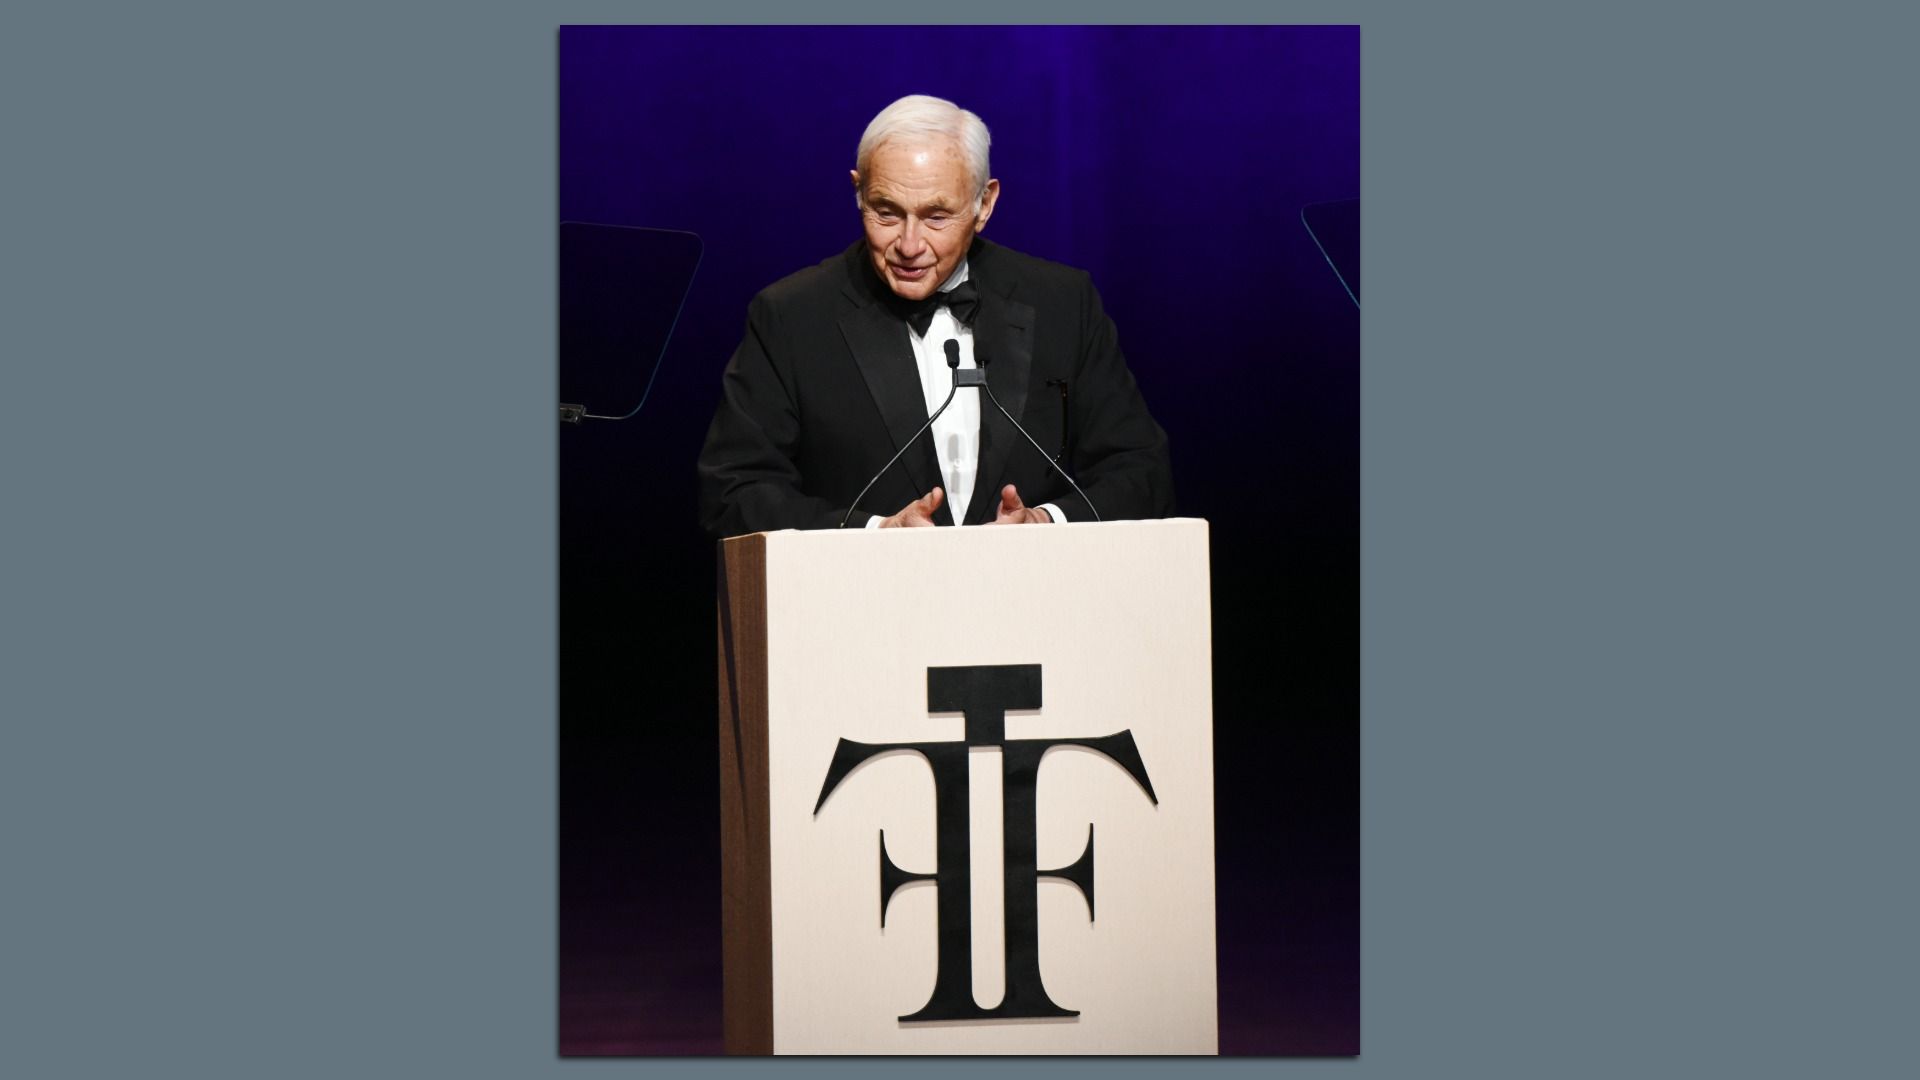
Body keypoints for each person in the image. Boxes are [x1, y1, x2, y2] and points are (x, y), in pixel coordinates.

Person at [696, 94, 1174, 538]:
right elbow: (733, 492)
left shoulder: (1063, 303)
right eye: (886, 212)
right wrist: (874, 533)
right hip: (862, 612)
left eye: (936, 216)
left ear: (984, 204)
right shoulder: (791, 316)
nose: (908, 244)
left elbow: (1140, 471)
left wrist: (1045, 524)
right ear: (857, 193)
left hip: (1036, 609)